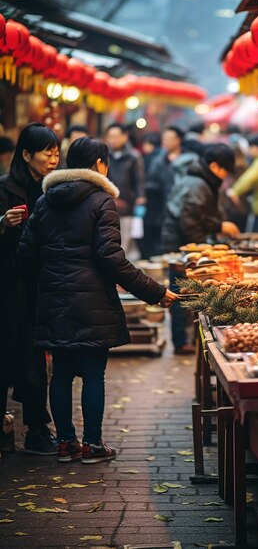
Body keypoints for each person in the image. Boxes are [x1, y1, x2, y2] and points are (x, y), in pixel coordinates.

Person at [18, 137, 177, 464]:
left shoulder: (44, 201)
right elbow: (112, 258)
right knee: (93, 373)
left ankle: (65, 443)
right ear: (99, 165)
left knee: (60, 373)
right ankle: (92, 445)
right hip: (91, 303)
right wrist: (155, 292)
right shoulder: (101, 201)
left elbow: (25, 255)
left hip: (52, 302)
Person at [0, 123, 60, 457]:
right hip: (9, 288)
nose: (53, 158)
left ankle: (37, 429)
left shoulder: (54, 190)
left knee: (37, 360)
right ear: (26, 154)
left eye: (56, 151)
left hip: (41, 287)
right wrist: (3, 224)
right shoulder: (5, 188)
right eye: (46, 151)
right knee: (6, 355)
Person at [161, 143, 240, 354]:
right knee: (180, 293)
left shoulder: (201, 180)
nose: (225, 176)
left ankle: (184, 338)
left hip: (184, 245)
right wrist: (204, 250)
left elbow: (199, 216)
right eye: (225, 170)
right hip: (182, 247)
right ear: (215, 166)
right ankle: (181, 341)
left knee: (182, 291)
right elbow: (190, 221)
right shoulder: (198, 184)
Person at [146, 126, 199, 253]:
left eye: (170, 138)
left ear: (179, 140)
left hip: (186, 210)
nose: (166, 142)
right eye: (164, 139)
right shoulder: (158, 161)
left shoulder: (190, 160)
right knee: (167, 247)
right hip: (163, 211)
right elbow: (151, 183)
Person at [104, 122, 145, 258]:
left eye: (116, 136)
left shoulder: (133, 156)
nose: (113, 139)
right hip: (107, 203)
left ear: (124, 137)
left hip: (127, 203)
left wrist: (140, 198)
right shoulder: (104, 155)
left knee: (125, 239)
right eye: (110, 136)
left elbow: (139, 179)